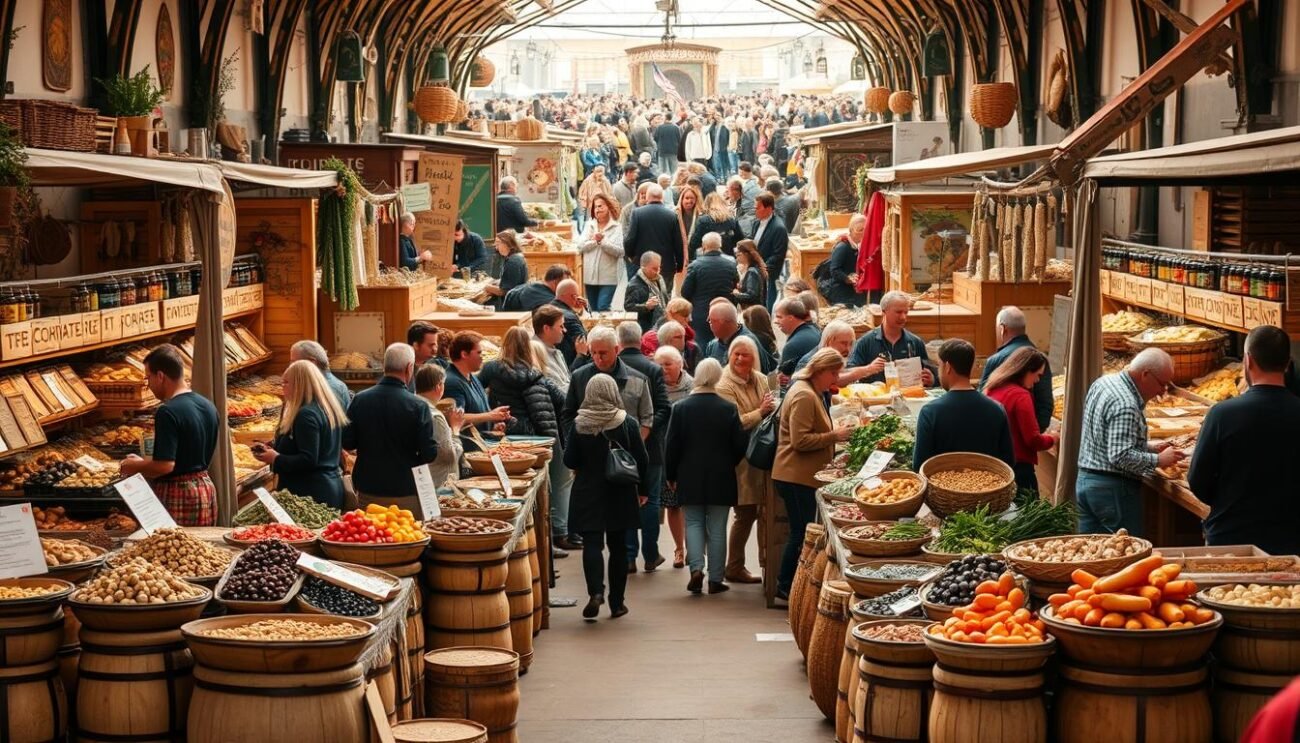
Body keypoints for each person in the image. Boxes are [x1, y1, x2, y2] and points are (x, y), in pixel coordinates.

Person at [1188, 326, 1300, 553]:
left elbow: (1197, 479)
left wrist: (1225, 499)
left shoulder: (1222, 414)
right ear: (1287, 363)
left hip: (1232, 538)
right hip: (1291, 541)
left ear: (1247, 361)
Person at [564, 373, 649, 620]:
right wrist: (643, 490)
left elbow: (570, 459)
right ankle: (617, 602)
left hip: (588, 490)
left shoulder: (580, 424)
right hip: (620, 491)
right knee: (618, 546)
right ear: (614, 392)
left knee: (592, 544)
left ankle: (595, 594)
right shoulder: (627, 422)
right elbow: (641, 459)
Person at [772, 348, 854, 600]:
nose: (836, 378)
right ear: (820, 371)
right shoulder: (805, 395)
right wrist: (835, 436)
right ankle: (785, 586)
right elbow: (800, 440)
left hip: (801, 474)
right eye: (834, 373)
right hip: (795, 476)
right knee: (800, 532)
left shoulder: (810, 391)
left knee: (802, 530)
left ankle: (790, 585)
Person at [1076, 348, 1185, 536]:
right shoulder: (1127, 404)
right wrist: (1159, 460)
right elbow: (1120, 456)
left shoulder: (1104, 382)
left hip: (1086, 482)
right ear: (1145, 375)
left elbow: (1104, 437)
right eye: (1162, 384)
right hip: (1112, 490)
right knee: (1125, 553)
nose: (1162, 391)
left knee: (1090, 554)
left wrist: (1149, 446)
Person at [665, 358, 747, 594]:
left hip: (689, 474)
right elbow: (740, 444)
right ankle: (716, 578)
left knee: (692, 521)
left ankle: (696, 569)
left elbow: (671, 445)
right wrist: (728, 462)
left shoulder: (680, 408)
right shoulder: (728, 408)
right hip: (721, 475)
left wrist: (671, 474)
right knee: (718, 527)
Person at [120, 344, 220, 526]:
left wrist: (132, 466)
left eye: (148, 378)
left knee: (175, 551)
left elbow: (165, 465)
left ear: (160, 376)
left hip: (179, 493)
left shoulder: (167, 411)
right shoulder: (208, 405)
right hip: (205, 489)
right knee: (202, 550)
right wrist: (142, 462)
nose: (148, 384)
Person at [342, 343, 439, 515]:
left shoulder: (360, 400)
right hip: (406, 487)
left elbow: (347, 441)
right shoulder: (418, 405)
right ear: (410, 368)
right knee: (406, 535)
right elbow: (429, 454)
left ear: (385, 367)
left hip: (368, 487)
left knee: (374, 536)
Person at [612, 321, 672, 573]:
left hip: (616, 448)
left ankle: (628, 556)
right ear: (640, 340)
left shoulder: (611, 368)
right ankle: (650, 553)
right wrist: (643, 433)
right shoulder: (652, 369)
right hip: (650, 448)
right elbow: (663, 408)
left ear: (619, 342)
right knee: (651, 500)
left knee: (625, 499)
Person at [716, 336, 775, 585]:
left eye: (745, 355)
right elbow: (734, 423)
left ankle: (766, 563)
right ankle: (734, 566)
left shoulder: (760, 379)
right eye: (735, 354)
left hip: (762, 455)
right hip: (740, 459)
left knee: (764, 511)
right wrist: (760, 412)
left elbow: (772, 406)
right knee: (746, 512)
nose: (740, 359)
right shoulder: (723, 384)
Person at [254, 360, 348, 509]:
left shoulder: (306, 415)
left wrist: (275, 458)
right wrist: (275, 446)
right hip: (327, 487)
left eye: (285, 383)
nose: (282, 387)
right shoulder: (325, 408)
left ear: (300, 385)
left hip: (310, 495)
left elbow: (308, 459)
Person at [913, 340, 1015, 470]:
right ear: (971, 367)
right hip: (987, 487)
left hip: (942, 488)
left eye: (939, 366)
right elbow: (1008, 462)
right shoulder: (997, 409)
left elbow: (919, 465)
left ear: (948, 367)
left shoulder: (930, 412)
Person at [533, 307, 581, 551]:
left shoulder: (557, 352)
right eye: (560, 326)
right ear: (545, 328)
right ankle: (560, 532)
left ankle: (565, 528)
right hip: (551, 422)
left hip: (561, 420)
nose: (564, 330)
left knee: (565, 476)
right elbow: (560, 390)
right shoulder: (538, 352)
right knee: (560, 477)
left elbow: (568, 381)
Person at [984, 347, 1058, 494]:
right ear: (1026, 370)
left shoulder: (992, 389)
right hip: (1019, 469)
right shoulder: (1021, 396)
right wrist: (1053, 438)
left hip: (995, 466)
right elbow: (1033, 439)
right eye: (1037, 375)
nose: (1037, 380)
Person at [478, 327, 566, 439]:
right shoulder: (534, 374)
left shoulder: (491, 369)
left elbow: (475, 389)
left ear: (505, 344)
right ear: (527, 346)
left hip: (499, 428)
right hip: (528, 433)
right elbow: (560, 400)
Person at [978, 306, 1053, 432]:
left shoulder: (995, 360)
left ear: (1002, 329)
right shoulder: (1041, 359)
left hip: (998, 434)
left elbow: (982, 401)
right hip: (1029, 436)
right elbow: (1045, 403)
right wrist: (1034, 432)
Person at [847, 291, 938, 386]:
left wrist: (932, 380)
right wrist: (869, 369)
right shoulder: (865, 342)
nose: (903, 317)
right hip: (876, 398)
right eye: (898, 312)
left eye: (906, 312)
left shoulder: (915, 342)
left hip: (908, 397)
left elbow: (934, 374)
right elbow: (848, 372)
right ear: (884, 311)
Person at [654, 344, 692, 568]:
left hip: (689, 453)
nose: (663, 369)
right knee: (673, 504)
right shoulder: (654, 386)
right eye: (659, 365)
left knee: (692, 504)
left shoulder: (693, 385)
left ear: (680, 364)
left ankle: (693, 549)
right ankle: (679, 549)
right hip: (663, 452)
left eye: (667, 364)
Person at [442, 331, 512, 437]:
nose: (482, 357)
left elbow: (479, 414)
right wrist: (490, 416)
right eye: (478, 353)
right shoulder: (452, 382)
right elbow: (456, 418)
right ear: (464, 354)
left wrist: (492, 425)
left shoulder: (472, 377)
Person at [680, 232, 738, 347]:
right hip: (725, 312)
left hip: (701, 313)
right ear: (720, 246)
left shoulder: (695, 265)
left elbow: (685, 292)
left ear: (703, 246)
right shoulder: (731, 264)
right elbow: (735, 286)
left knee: (701, 346)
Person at [413, 364, 465, 488]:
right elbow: (450, 456)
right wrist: (455, 429)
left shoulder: (411, 406)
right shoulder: (435, 416)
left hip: (417, 479)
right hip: (438, 483)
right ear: (438, 387)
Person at [623, 184, 685, 283]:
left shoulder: (637, 213)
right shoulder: (672, 216)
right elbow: (678, 243)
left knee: (643, 295)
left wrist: (630, 255)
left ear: (647, 196)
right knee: (664, 296)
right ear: (662, 197)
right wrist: (679, 265)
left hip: (642, 264)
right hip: (666, 266)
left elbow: (630, 238)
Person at [577, 193, 624, 311]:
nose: (597, 209)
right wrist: (595, 241)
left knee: (603, 307)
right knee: (592, 309)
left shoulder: (617, 227)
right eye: (595, 207)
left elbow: (619, 251)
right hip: (589, 277)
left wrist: (603, 242)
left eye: (601, 206)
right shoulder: (589, 225)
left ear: (608, 206)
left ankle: (605, 329)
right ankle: (597, 329)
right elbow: (580, 246)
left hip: (609, 277)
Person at [703, 300, 776, 373]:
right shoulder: (712, 345)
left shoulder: (748, 343)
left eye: (711, 321)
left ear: (722, 321)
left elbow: (759, 376)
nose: (709, 324)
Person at [289, 339, 350, 413]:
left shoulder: (317, 390)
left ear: (311, 363)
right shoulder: (340, 385)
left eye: (294, 362)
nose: (291, 366)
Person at [752, 192, 789, 312]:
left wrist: (764, 267)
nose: (755, 210)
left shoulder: (778, 228)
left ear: (768, 208)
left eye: (758, 208)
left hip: (769, 272)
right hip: (756, 268)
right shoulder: (756, 222)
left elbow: (779, 254)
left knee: (768, 302)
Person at [821, 214, 867, 307]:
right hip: (841, 290)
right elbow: (834, 270)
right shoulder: (843, 247)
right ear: (851, 230)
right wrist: (847, 278)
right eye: (860, 230)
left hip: (853, 289)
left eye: (865, 230)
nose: (863, 233)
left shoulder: (859, 245)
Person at [624, 251, 670, 332]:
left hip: (661, 324)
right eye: (654, 269)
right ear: (643, 267)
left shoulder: (659, 279)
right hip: (646, 328)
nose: (657, 272)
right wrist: (646, 306)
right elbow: (628, 307)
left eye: (659, 268)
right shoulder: (634, 285)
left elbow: (665, 299)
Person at [775, 296, 820, 378]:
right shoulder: (813, 328)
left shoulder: (792, 346)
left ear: (790, 318)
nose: (775, 322)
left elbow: (782, 381)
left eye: (779, 317)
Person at [483, 231, 528, 310]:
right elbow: (512, 280)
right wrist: (498, 281)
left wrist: (485, 287)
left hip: (512, 306)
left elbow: (503, 292)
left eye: (498, 244)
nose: (496, 248)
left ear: (506, 243)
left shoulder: (512, 262)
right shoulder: (516, 257)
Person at [691, 192, 744, 258]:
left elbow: (695, 242)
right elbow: (740, 239)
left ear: (706, 204)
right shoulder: (731, 219)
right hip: (728, 256)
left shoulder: (703, 220)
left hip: (707, 256)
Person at [551, 279, 590, 366]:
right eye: (577, 296)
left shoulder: (547, 308)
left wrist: (579, 311)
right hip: (570, 365)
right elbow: (584, 344)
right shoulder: (570, 317)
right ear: (573, 296)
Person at [502, 264, 572, 313]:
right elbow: (564, 312)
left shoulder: (535, 286)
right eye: (564, 284)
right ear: (555, 282)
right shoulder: (546, 298)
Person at [405, 320, 440, 392]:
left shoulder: (436, 365)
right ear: (416, 345)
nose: (435, 349)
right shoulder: (402, 370)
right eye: (431, 345)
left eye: (435, 345)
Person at [577, 164, 614, 231]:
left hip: (602, 204)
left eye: (601, 172)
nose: (600, 174)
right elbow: (583, 193)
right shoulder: (588, 180)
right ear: (594, 172)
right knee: (590, 222)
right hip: (591, 205)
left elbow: (610, 193)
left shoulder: (605, 181)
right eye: (598, 171)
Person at [732, 239, 768, 310]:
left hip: (752, 311)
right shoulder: (753, 269)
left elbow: (751, 296)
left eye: (739, 253)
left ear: (746, 254)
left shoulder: (752, 271)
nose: (736, 255)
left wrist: (736, 294)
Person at [675, 185, 702, 265]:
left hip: (695, 254)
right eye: (687, 198)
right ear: (682, 199)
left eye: (692, 198)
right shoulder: (674, 215)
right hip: (678, 253)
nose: (689, 201)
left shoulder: (700, 215)